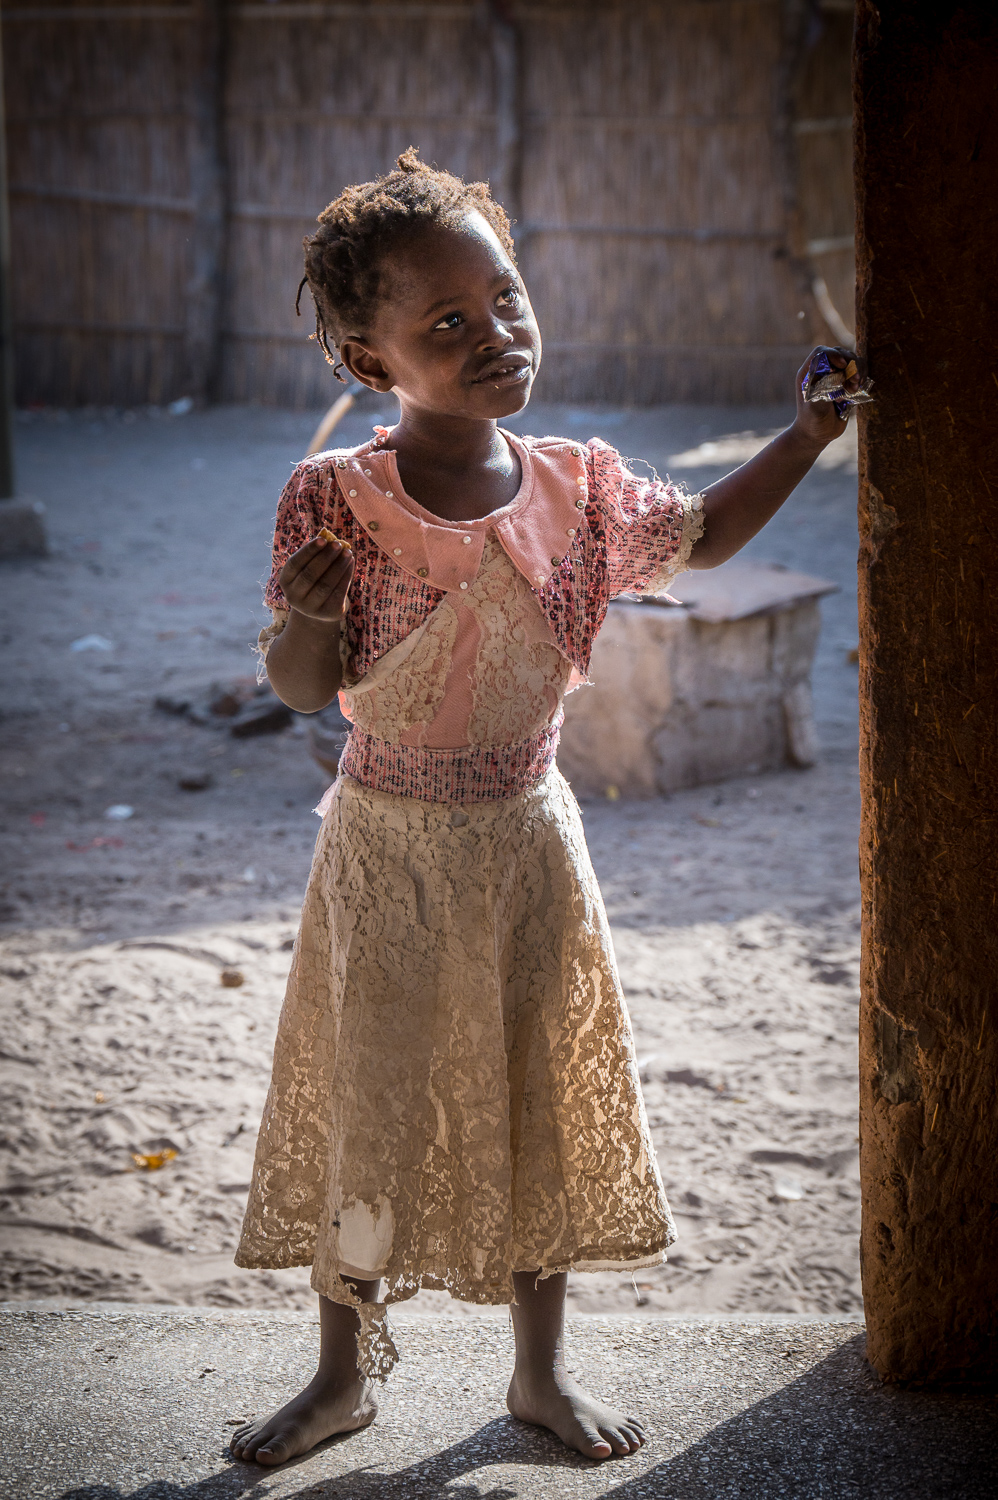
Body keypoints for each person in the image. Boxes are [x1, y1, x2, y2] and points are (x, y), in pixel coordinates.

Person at [230, 149, 860, 1468]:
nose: (493, 336)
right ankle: (341, 1376)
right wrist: (310, 608)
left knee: (537, 1106)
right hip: (384, 851)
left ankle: (537, 1378)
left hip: (527, 844)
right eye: (444, 324)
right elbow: (298, 689)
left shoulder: (577, 485)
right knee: (369, 1105)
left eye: (504, 299)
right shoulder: (334, 501)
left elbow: (700, 536)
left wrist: (806, 435)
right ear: (367, 359)